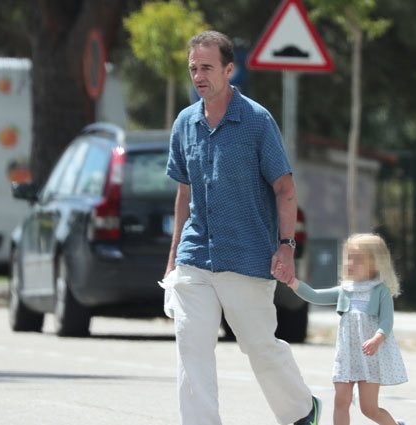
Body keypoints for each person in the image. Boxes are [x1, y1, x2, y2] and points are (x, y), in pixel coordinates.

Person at [161, 30, 321, 425]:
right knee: (191, 347)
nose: (199, 76)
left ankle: (302, 411)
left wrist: (286, 246)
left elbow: (284, 187)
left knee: (258, 346)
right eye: (193, 68)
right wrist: (173, 260)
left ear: (229, 70)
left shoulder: (256, 120)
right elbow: (185, 194)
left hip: (247, 254)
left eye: (207, 68)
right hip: (196, 256)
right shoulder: (185, 123)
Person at [282, 233, 408, 425]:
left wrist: (377, 339)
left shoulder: (380, 290)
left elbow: (387, 322)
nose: (350, 262)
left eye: (357, 259)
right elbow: (315, 296)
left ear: (375, 263)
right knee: (341, 401)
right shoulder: (345, 290)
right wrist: (293, 282)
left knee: (369, 409)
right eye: (349, 257)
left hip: (369, 358)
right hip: (346, 357)